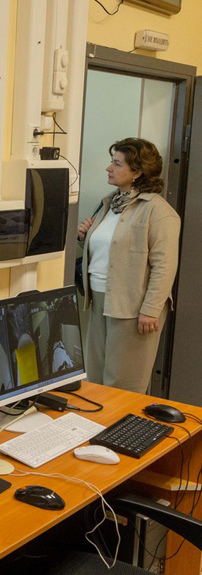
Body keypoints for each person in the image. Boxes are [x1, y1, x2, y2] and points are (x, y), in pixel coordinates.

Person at [77, 138, 181, 394]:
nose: (108, 168)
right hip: (98, 300)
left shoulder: (159, 211)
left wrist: (151, 310)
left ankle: (122, 423)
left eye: (116, 163)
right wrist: (84, 238)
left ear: (137, 172)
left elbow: (165, 266)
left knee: (123, 384)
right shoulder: (109, 203)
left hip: (134, 308)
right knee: (94, 379)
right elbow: (113, 251)